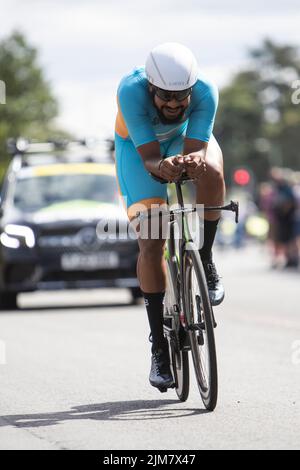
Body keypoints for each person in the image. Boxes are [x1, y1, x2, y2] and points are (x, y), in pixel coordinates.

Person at [115, 43, 225, 391]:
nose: (175, 104)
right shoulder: (130, 91)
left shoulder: (206, 91)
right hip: (138, 151)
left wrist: (190, 164)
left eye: (182, 96)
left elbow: (195, 151)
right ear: (151, 87)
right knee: (152, 241)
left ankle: (204, 259)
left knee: (211, 171)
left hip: (180, 141)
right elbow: (148, 157)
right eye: (166, 96)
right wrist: (162, 168)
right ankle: (159, 350)